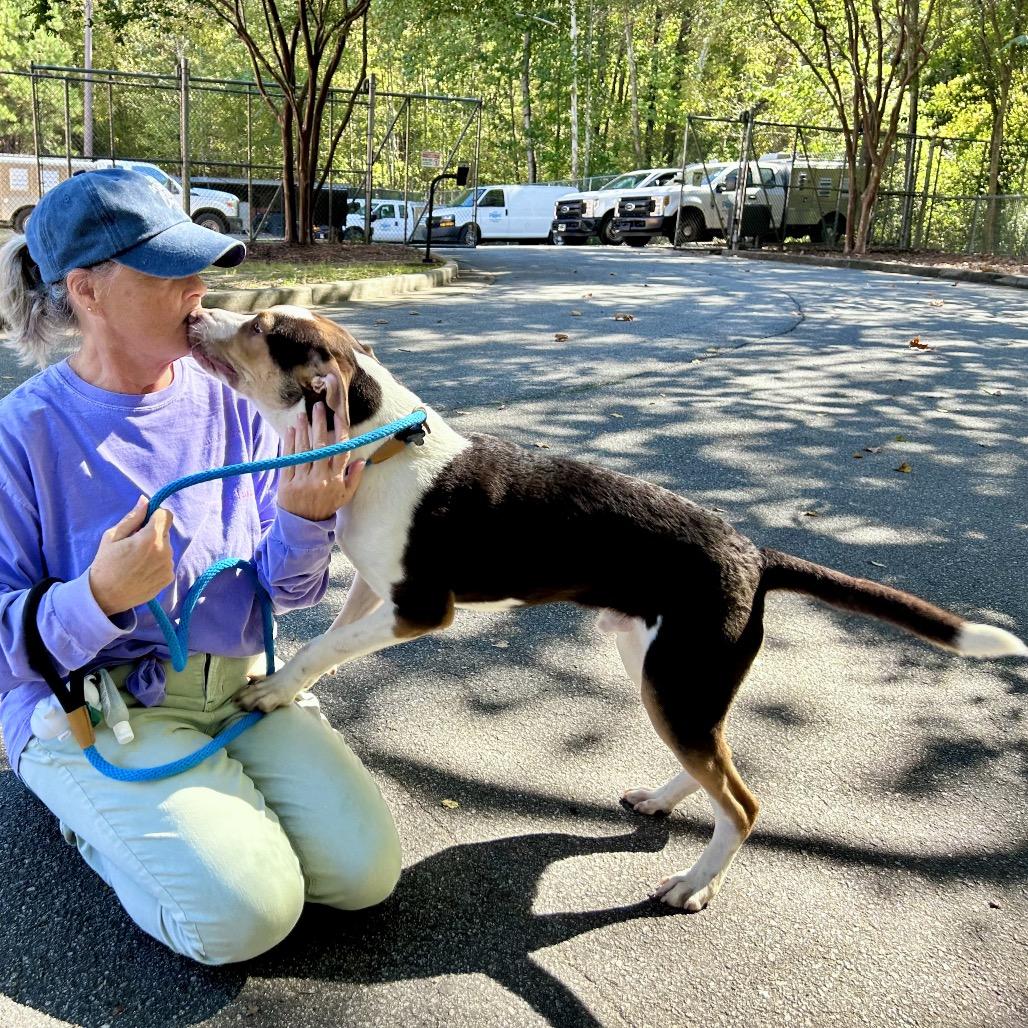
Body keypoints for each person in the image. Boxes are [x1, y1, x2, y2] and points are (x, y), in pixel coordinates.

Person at [0, 169, 401, 965]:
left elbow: (285, 591)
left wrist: (305, 517)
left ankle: (192, 807)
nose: (199, 289)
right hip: (94, 705)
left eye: (200, 266)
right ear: (87, 292)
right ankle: (89, 811)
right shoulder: (22, 433)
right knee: (249, 917)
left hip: (239, 688)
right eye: (170, 271)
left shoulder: (235, 399)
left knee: (366, 875)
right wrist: (97, 598)